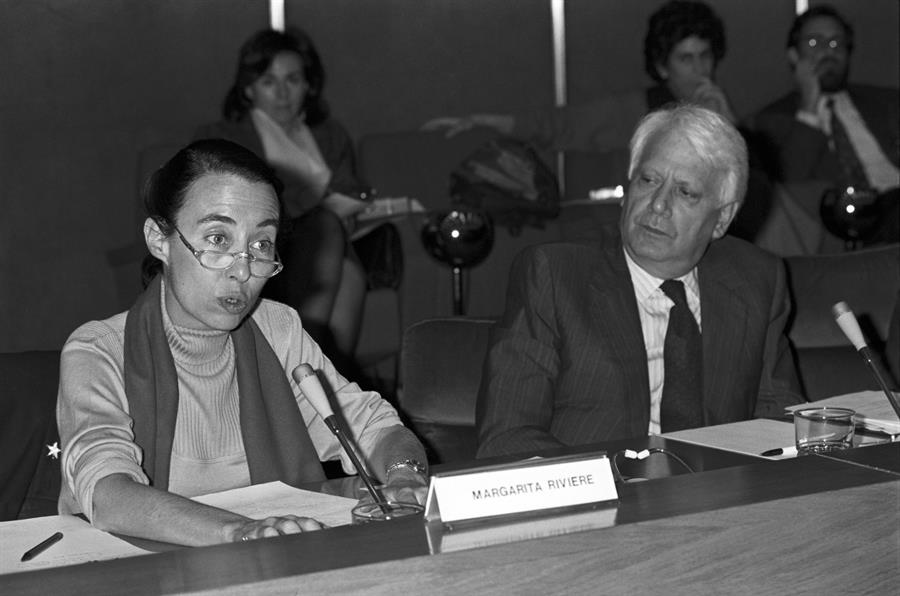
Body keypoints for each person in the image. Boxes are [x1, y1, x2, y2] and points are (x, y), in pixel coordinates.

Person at [57, 139, 428, 546]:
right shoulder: (98, 349)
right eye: (218, 239)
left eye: (260, 245)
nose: (243, 269)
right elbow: (109, 494)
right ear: (159, 239)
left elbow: (374, 428)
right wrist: (241, 533)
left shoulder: (278, 329)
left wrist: (405, 476)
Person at [476, 105, 805, 458]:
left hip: (719, 496)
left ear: (722, 218)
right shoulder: (555, 275)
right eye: (648, 180)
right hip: (601, 500)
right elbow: (507, 436)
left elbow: (781, 423)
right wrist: (607, 487)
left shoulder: (756, 280)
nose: (658, 205)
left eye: (685, 192)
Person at [195, 28, 369, 373]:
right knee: (334, 243)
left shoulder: (329, 134)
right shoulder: (225, 136)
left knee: (342, 256)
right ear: (248, 88)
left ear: (309, 86)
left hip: (332, 243)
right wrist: (314, 204)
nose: (283, 93)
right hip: (265, 248)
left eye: (293, 80)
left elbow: (351, 189)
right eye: (269, 81)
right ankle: (307, 367)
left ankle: (315, 377)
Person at [423, 1, 737, 152]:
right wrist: (485, 121)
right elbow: (559, 125)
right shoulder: (635, 111)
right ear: (662, 66)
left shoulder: (721, 108)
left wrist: (728, 126)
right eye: (686, 58)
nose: (699, 69)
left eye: (705, 56)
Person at [747, 5, 899, 247]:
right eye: (815, 43)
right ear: (794, 56)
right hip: (843, 220)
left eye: (836, 44)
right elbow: (789, 188)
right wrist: (809, 106)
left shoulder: (887, 104)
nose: (828, 52)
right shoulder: (770, 120)